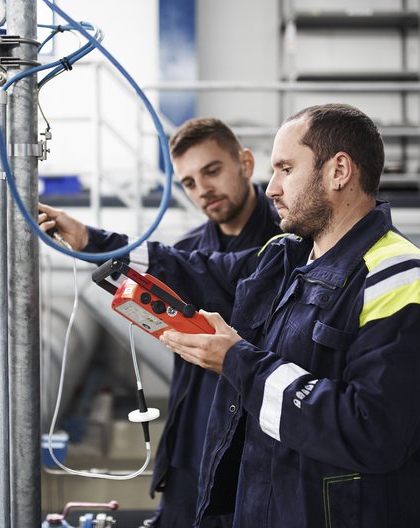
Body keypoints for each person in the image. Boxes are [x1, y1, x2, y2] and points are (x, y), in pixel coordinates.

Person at [39, 103, 420, 528]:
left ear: (339, 171)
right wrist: (93, 241)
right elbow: (193, 270)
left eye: (286, 169)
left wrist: (237, 361)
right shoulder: (287, 257)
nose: (272, 187)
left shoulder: (403, 279)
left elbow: (372, 431)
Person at [146, 118, 280, 527]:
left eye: (212, 171)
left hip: (259, 450)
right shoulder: (185, 253)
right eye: (188, 182)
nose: (202, 190)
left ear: (245, 163)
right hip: (192, 442)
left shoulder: (291, 243)